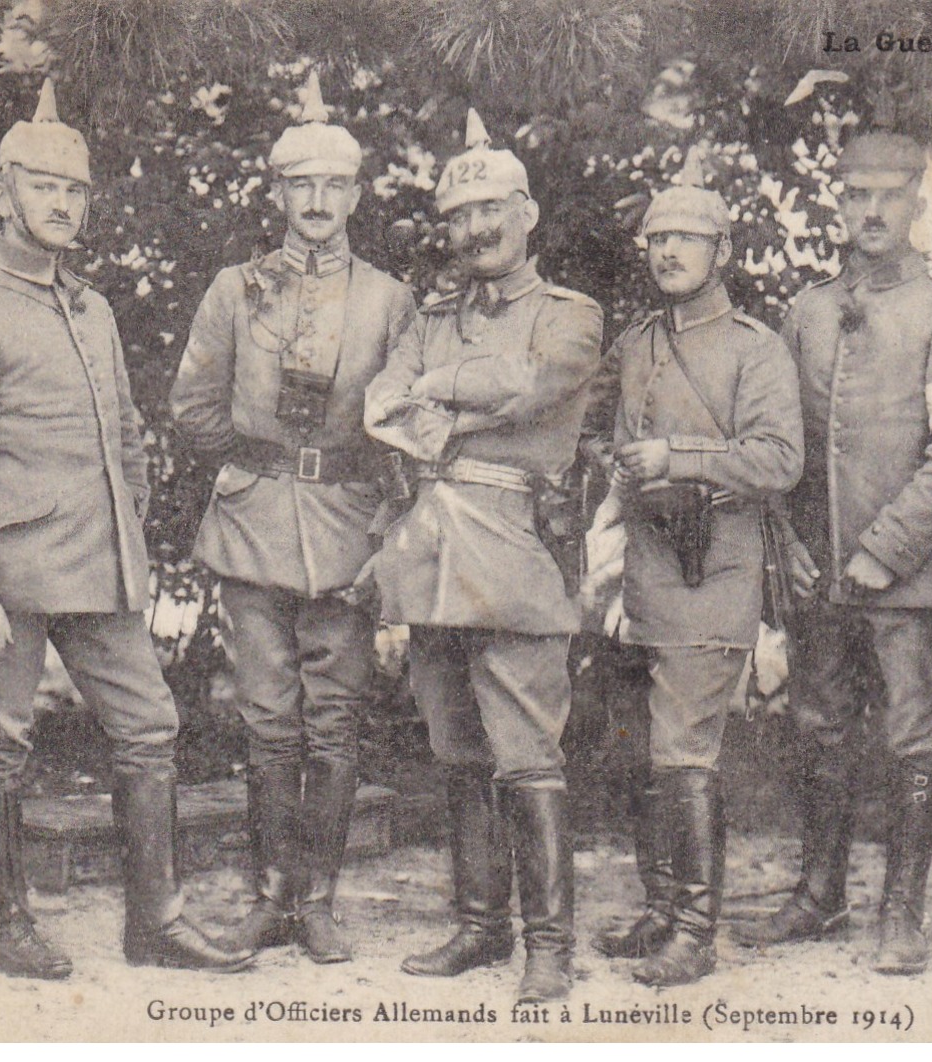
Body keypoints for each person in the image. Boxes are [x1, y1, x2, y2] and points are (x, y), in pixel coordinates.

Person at [0, 79, 251, 979]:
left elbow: (126, 436)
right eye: (44, 187)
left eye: (76, 191)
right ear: (1, 195)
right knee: (1, 741)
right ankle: (4, 925)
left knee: (150, 726)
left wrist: (124, 527)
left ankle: (155, 921)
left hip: (98, 569)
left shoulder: (90, 307)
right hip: (12, 580)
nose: (62, 205)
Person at [168, 72, 416, 963]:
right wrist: (257, 463)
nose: (316, 202)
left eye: (333, 186)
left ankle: (320, 898)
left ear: (355, 195)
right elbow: (193, 406)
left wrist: (382, 522)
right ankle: (272, 894)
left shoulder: (389, 300)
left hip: (349, 523)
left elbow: (408, 425)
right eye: (299, 185)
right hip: (252, 522)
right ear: (277, 193)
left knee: (336, 718)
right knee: (266, 716)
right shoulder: (235, 290)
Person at [733, 128, 932, 976]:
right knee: (818, 727)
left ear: (917, 203)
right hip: (816, 572)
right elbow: (778, 443)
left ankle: (902, 913)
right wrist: (788, 545)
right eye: (855, 196)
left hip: (902, 576)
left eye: (888, 195)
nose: (870, 211)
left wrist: (886, 551)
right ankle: (819, 894)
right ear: (838, 204)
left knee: (910, 735)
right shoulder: (805, 311)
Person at [363, 109, 604, 1004]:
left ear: (527, 212)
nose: (474, 230)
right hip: (429, 552)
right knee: (456, 751)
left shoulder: (570, 315)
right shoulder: (430, 316)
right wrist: (438, 397)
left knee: (526, 754)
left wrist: (434, 395)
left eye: (490, 211)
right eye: (458, 218)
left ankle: (549, 945)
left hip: (510, 552)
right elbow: (379, 405)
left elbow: (532, 385)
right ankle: (478, 926)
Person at [587, 154, 803, 986]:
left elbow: (779, 458)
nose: (668, 250)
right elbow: (595, 429)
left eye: (687, 237)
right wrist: (611, 470)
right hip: (640, 560)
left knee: (685, 747)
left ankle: (695, 928)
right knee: (641, 740)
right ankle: (658, 904)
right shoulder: (638, 341)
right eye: (657, 238)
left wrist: (677, 455)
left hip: (714, 560)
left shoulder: (755, 349)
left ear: (721, 250)